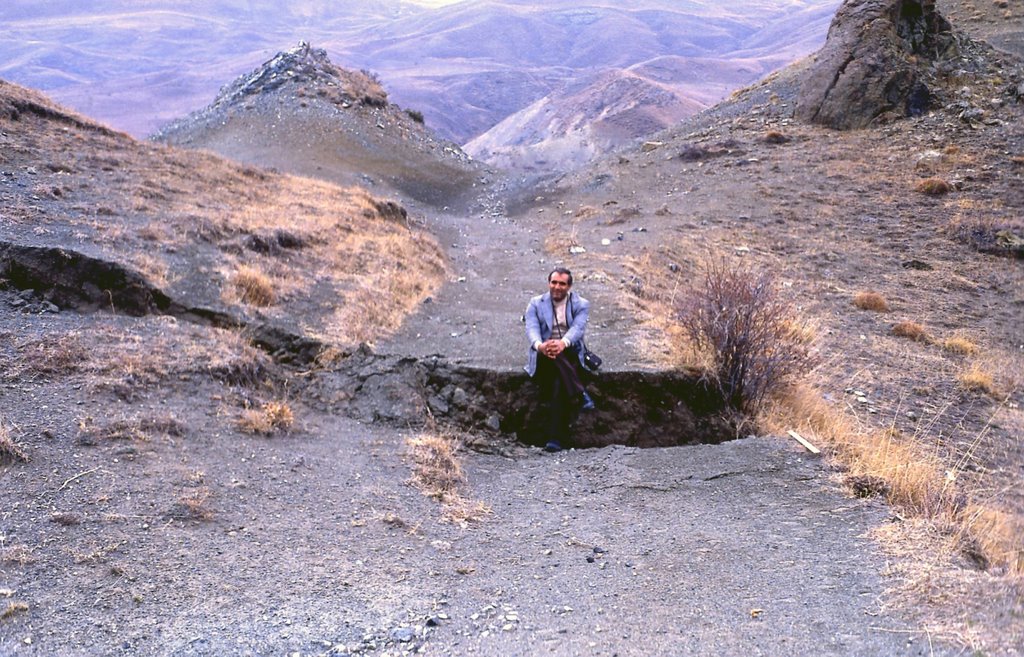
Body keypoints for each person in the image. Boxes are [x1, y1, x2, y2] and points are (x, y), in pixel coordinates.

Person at [524, 267, 595, 452]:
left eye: (562, 283)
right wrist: (540, 346)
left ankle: (554, 439)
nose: (557, 287)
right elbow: (531, 328)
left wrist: (563, 343)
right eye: (554, 282)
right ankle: (580, 393)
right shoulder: (535, 303)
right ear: (549, 283)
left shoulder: (581, 304)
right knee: (554, 357)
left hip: (568, 351)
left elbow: (578, 329)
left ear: (569, 286)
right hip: (543, 354)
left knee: (559, 385)